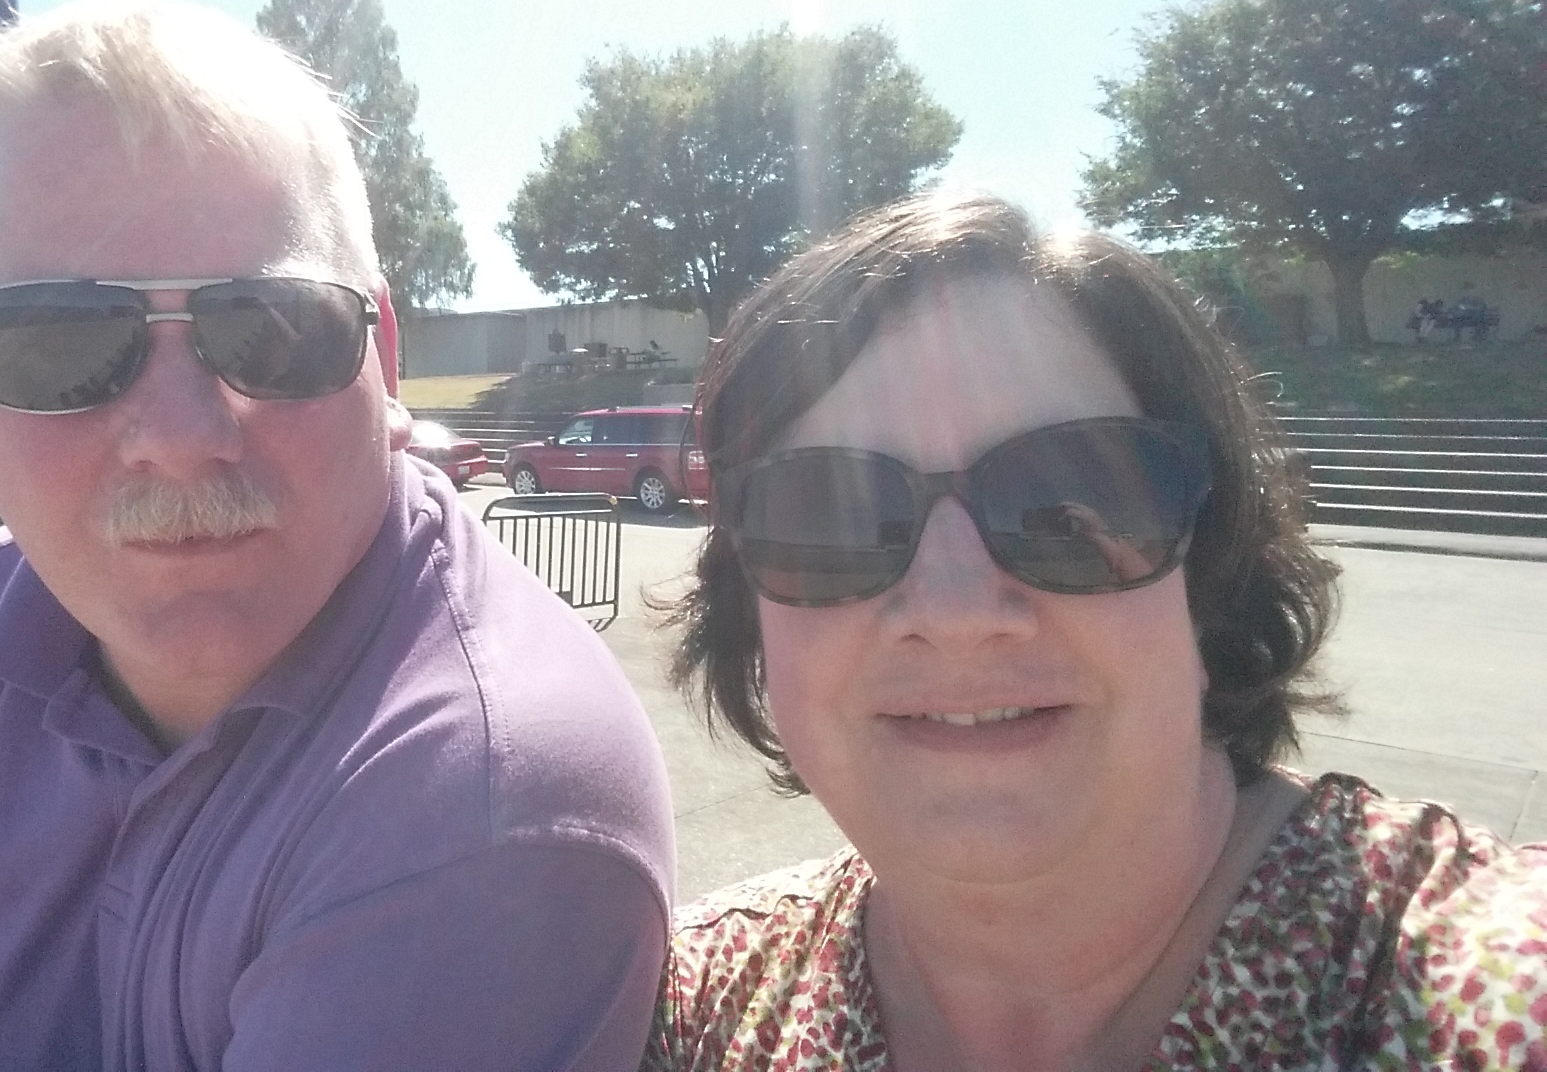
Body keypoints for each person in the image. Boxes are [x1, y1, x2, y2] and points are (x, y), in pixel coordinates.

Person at [0, 4, 674, 1070]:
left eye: (270, 327)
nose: (178, 442)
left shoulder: (491, 796)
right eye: (54, 343)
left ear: (385, 362)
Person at [643, 192, 1547, 1071]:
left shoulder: (1490, 992)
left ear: (1211, 575)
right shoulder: (687, 1007)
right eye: (829, 516)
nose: (955, 612)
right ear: (749, 618)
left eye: (1070, 498)